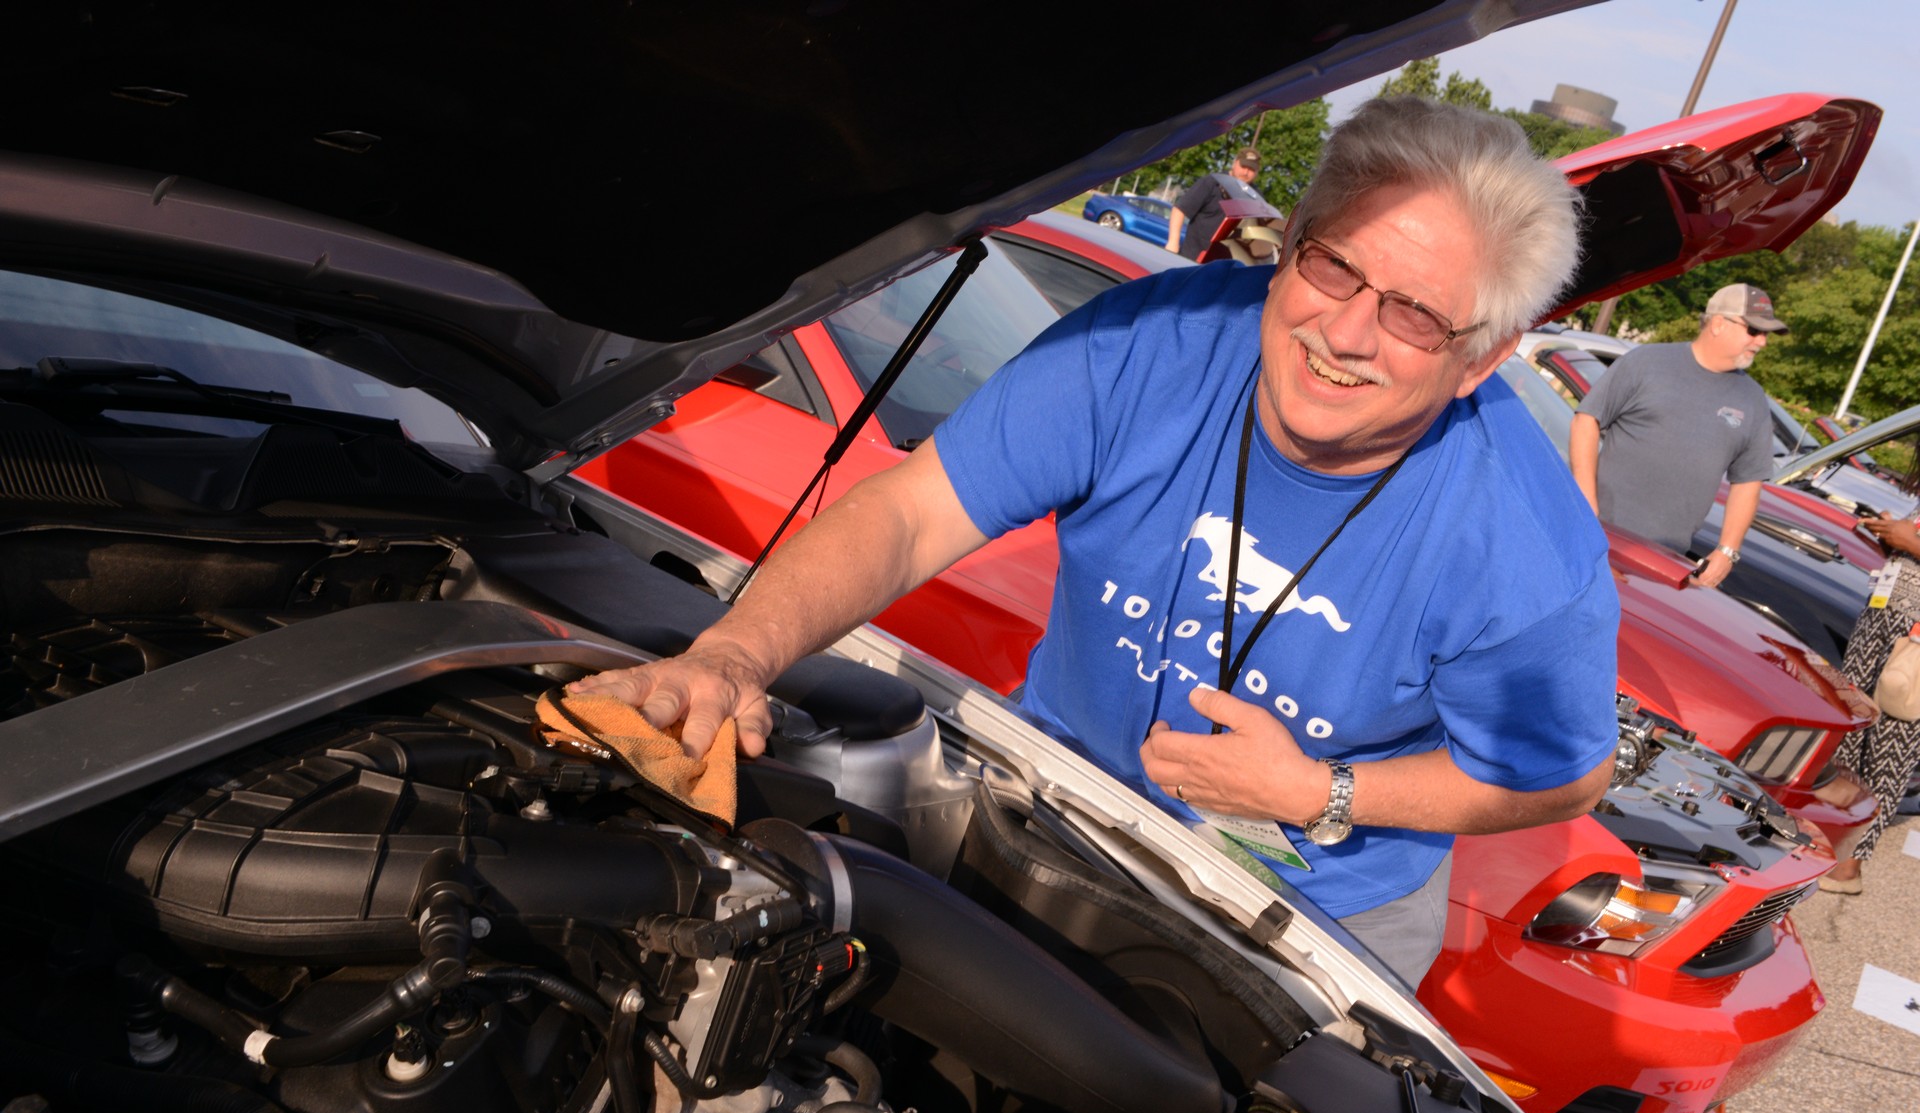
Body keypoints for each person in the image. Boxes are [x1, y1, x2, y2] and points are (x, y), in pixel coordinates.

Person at [572, 97, 1620, 986]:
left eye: (1412, 317)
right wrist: (735, 654)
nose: (1343, 333)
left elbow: (1561, 778)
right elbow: (911, 514)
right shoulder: (1144, 348)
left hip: (1312, 917)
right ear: (1289, 236)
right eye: (1334, 266)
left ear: (1482, 358)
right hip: (1060, 810)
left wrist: (1322, 793)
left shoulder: (1526, 549)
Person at [1568, 284, 1786, 588]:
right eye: (1754, 330)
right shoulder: (1646, 363)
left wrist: (1728, 550)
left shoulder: (1753, 399)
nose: (1762, 342)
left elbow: (1748, 481)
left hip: (1665, 561)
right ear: (1719, 323)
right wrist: (1585, 497)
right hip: (1596, 538)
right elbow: (1586, 420)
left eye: (1766, 334)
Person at [1824, 503, 1920, 893]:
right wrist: (1893, 539)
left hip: (1914, 634)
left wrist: (1911, 541)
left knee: (1890, 748)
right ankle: (1829, 839)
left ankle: (1849, 865)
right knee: (1849, 728)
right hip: (1882, 612)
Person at [1165, 147, 1264, 260]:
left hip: (1227, 265)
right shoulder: (1212, 182)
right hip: (1192, 259)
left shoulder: (1256, 197)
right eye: (1243, 166)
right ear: (1235, 163)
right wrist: (1173, 243)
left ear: (1257, 172)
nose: (1246, 172)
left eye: (1251, 169)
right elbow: (1180, 209)